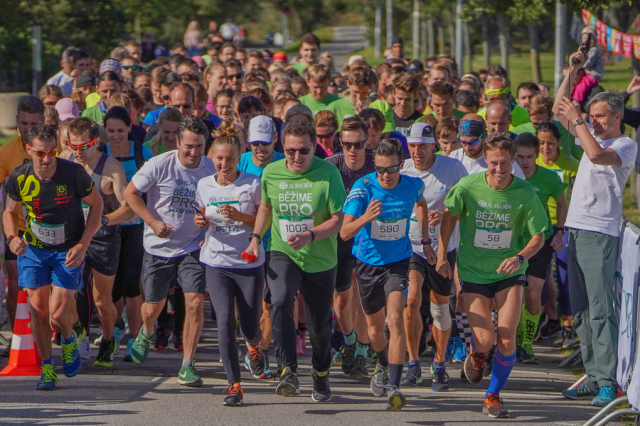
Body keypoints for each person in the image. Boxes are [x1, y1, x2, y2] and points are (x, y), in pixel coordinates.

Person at [437, 132, 547, 418]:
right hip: (474, 271)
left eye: (505, 162)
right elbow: (449, 216)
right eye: (494, 162)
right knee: (485, 340)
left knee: (507, 337)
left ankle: (493, 396)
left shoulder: (524, 192)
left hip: (510, 271)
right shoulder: (467, 187)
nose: (499, 169)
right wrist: (442, 256)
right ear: (485, 159)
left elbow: (538, 236)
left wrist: (520, 257)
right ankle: (477, 354)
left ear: (513, 161)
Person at [553, 48, 638, 406]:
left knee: (602, 310)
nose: (594, 122)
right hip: (576, 229)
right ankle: (592, 375)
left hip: (601, 233)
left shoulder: (624, 144)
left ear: (617, 116)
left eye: (601, 116)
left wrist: (581, 123)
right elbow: (559, 107)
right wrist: (572, 71)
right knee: (582, 312)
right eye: (592, 117)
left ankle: (607, 381)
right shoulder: (589, 132)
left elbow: (596, 155)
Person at [243, 120, 346, 402]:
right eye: (290, 151)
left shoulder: (328, 174)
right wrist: (255, 237)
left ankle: (320, 373)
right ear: (282, 147)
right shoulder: (272, 172)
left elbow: (338, 220)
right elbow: (266, 207)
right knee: (278, 300)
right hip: (283, 251)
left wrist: (310, 235)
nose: (297, 157)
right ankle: (287, 370)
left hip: (320, 258)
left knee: (319, 327)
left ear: (314, 147)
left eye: (304, 151)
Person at [4, 123, 104, 390]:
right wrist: (12, 237)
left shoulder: (73, 173)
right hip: (34, 250)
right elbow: (8, 212)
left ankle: (69, 338)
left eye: (51, 152)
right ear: (29, 150)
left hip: (67, 250)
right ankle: (48, 367)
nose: (46, 159)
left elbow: (97, 204)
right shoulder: (20, 176)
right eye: (40, 153)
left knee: (58, 314)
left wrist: (83, 244)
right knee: (38, 311)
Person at [340, 137, 437, 410]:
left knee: (395, 318)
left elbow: (421, 204)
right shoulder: (363, 188)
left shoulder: (413, 185)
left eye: (391, 169)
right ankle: (382, 364)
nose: (385, 175)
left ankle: (394, 387)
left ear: (401, 165)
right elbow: (345, 232)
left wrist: (425, 242)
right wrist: (365, 218)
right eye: (380, 169)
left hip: (399, 262)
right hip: (368, 264)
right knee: (374, 331)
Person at [124, 116, 217, 386]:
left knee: (195, 302)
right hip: (159, 246)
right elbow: (130, 194)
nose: (193, 152)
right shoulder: (159, 164)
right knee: (153, 307)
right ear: (177, 142)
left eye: (199, 146)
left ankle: (188, 364)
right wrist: (152, 222)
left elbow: (216, 203)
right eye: (188, 146)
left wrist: (207, 223)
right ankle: (147, 331)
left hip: (193, 246)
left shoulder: (210, 169)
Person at [194, 119, 265, 406]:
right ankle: (234, 384)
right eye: (219, 159)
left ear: (239, 159)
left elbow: (263, 220)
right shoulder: (204, 184)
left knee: (249, 325)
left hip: (248, 263)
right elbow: (202, 214)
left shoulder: (251, 184)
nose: (224, 165)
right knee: (224, 321)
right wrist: (200, 221)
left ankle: (254, 346)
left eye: (230, 160)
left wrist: (240, 217)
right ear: (212, 157)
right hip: (217, 261)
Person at [400, 123, 468, 389]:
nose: (417, 152)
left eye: (423, 146)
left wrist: (448, 215)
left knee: (440, 309)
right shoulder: (402, 169)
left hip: (444, 247)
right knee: (411, 300)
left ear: (434, 146)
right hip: (411, 246)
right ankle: (413, 362)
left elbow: (467, 206)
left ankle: (439, 364)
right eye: (413, 146)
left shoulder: (452, 168)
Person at [59, 118, 132, 366]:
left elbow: (129, 209)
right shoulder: (65, 160)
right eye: (73, 145)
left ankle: (108, 340)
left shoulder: (111, 168)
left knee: (102, 299)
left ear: (97, 142)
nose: (78, 152)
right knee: (65, 294)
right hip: (73, 238)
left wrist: (102, 221)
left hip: (103, 240)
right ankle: (78, 330)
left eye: (84, 146)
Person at [102, 107, 154, 361]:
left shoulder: (142, 153)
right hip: (108, 227)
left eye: (120, 131)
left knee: (132, 283)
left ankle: (134, 337)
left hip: (135, 226)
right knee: (112, 288)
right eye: (110, 131)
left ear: (130, 127)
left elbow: (155, 190)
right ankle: (114, 330)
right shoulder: (100, 154)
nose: (115, 136)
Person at [326, 117, 375, 378]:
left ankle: (362, 352)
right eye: (347, 145)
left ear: (367, 143)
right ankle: (349, 340)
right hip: (340, 241)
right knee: (341, 299)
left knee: (362, 295)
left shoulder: (378, 165)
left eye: (358, 145)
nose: (352, 150)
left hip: (370, 240)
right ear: (340, 144)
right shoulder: (330, 167)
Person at [513, 133, 568, 364]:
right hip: (514, 242)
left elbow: (562, 203)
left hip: (540, 241)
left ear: (537, 156)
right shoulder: (507, 175)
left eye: (529, 157)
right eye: (520, 157)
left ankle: (526, 343)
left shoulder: (548, 177)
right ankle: (513, 341)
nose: (525, 162)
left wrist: (560, 231)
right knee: (513, 295)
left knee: (533, 294)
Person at [237, 115, 285, 379]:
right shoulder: (239, 162)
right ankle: (252, 347)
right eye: (255, 143)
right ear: (247, 141)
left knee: (272, 302)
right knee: (248, 303)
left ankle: (260, 351)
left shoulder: (285, 162)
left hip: (277, 244)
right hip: (243, 244)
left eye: (265, 143)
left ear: (275, 138)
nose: (260, 148)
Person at [0, 96, 45, 340]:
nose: (28, 129)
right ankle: (18, 338)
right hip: (18, 227)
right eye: (24, 123)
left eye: (33, 124)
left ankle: (49, 333)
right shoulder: (6, 152)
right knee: (15, 281)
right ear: (17, 121)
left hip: (50, 227)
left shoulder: (55, 148)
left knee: (44, 287)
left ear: (43, 122)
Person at [534, 121, 579, 345]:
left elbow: (578, 197)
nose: (545, 148)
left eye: (550, 143)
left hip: (563, 226)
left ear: (559, 142)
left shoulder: (571, 165)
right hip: (539, 228)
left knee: (564, 277)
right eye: (541, 143)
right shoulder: (531, 163)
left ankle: (568, 325)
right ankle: (538, 323)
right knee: (539, 279)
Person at [449, 114, 525, 178]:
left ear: (484, 137)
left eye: (473, 142)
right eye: (463, 142)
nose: (467, 147)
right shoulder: (454, 158)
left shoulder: (501, 158)